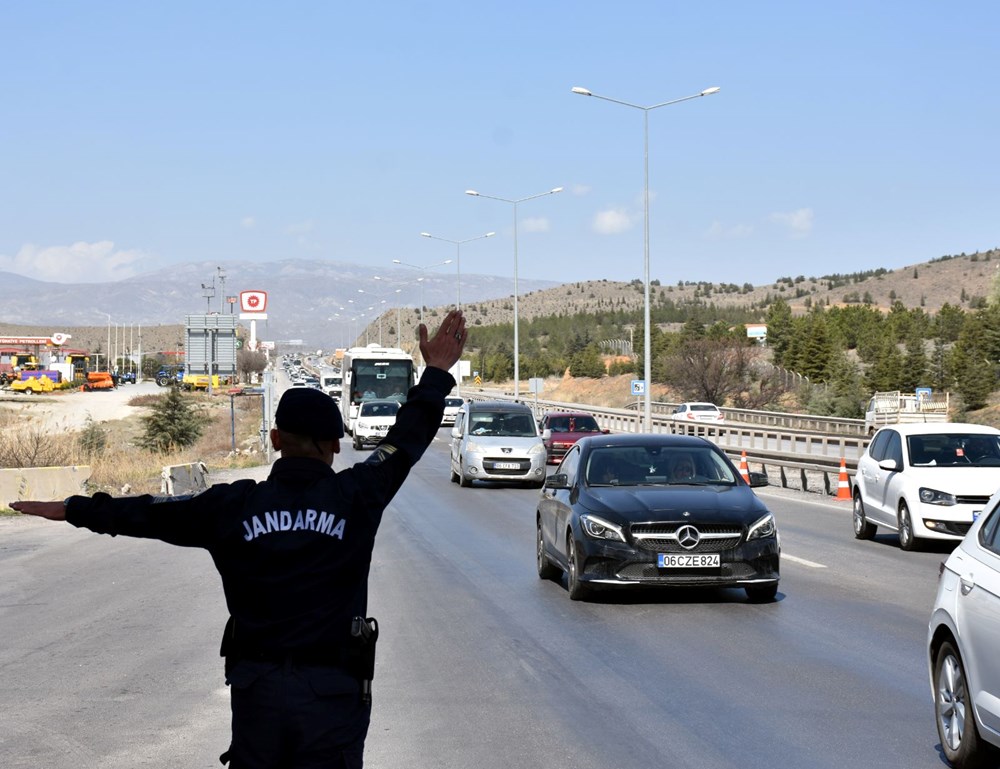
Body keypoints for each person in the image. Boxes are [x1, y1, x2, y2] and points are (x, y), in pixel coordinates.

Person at [10, 309, 468, 769]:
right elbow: (406, 441)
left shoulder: (230, 507)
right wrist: (434, 374)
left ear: (274, 439)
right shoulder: (358, 495)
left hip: (259, 692)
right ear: (334, 445)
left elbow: (148, 513)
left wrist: (74, 509)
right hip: (332, 694)